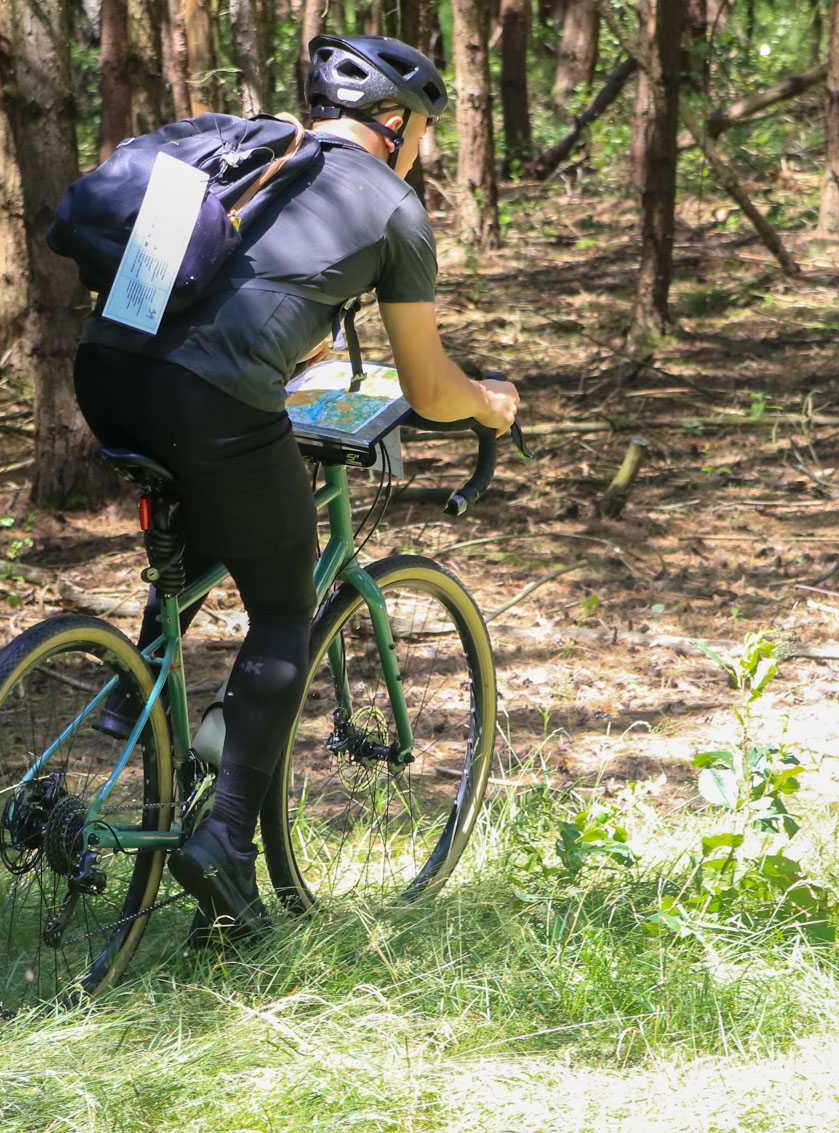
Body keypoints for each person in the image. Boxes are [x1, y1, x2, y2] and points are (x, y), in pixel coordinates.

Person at [72, 34, 520, 943]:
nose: (422, 147)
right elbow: (429, 388)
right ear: (393, 121)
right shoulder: (392, 206)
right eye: (422, 128)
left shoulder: (251, 150)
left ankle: (141, 693)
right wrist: (490, 402)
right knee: (284, 609)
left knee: (210, 500)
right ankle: (226, 842)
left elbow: (194, 288)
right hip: (209, 400)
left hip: (104, 370)